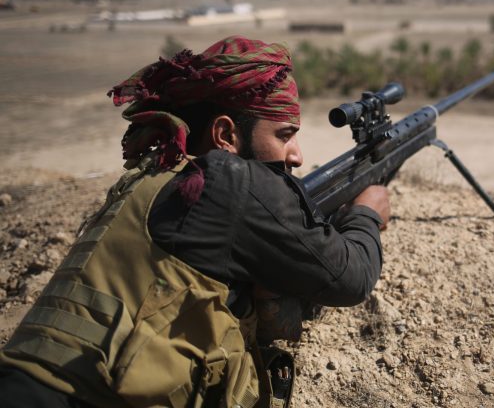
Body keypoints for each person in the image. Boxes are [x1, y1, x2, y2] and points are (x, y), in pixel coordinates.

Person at [0, 36, 390, 408]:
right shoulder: (232, 181)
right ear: (224, 134)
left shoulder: (151, 176)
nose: (297, 155)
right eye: (285, 135)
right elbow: (351, 278)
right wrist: (365, 212)